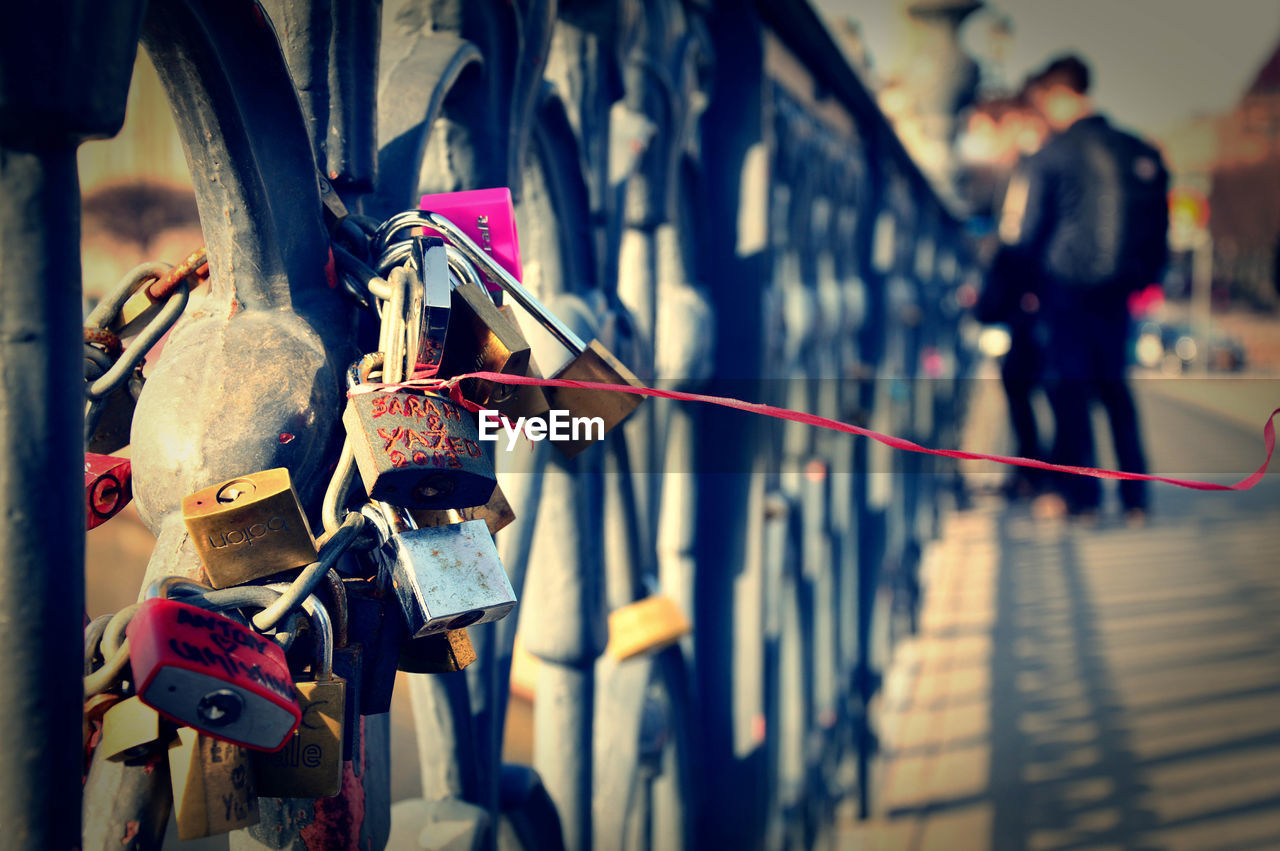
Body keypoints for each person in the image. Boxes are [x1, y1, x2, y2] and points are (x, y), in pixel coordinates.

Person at [998, 55, 1169, 524]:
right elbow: (1159, 226)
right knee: (1115, 389)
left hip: (1065, 288)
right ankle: (1137, 498)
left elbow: (1027, 234)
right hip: (1119, 290)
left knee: (1069, 390)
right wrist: (1143, 277)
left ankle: (1082, 497)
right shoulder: (1137, 148)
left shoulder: (1051, 155)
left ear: (1057, 95)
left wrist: (1016, 293)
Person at [973, 89, 1050, 498]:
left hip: (1037, 300)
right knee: (1021, 383)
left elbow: (1026, 237)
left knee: (1040, 386)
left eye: (982, 133)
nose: (978, 146)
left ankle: (1044, 477)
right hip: (1026, 300)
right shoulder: (1019, 172)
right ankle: (1032, 472)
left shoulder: (1035, 169)